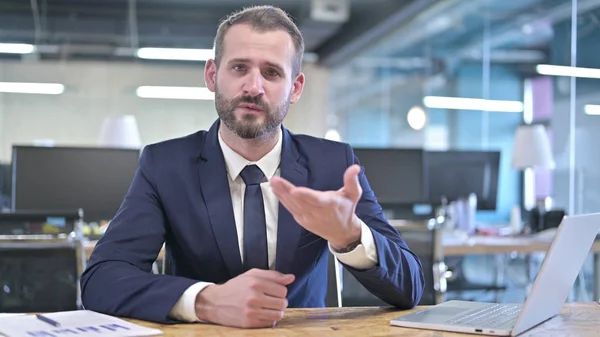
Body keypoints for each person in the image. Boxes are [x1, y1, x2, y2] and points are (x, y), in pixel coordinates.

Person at [80, 5, 424, 329]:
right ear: (213, 75)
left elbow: (411, 288)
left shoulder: (333, 165)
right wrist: (204, 301)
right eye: (239, 67)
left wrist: (350, 236)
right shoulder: (165, 165)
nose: (254, 87)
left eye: (272, 72)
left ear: (295, 88)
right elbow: (101, 279)